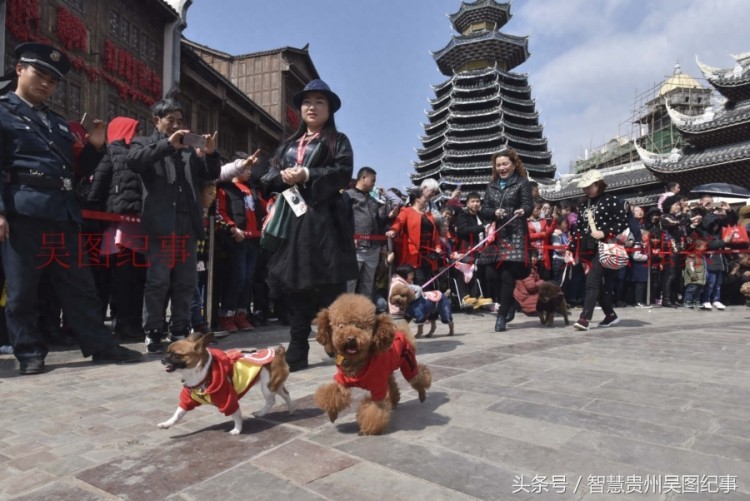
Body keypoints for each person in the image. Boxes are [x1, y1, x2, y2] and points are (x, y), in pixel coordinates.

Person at [0, 43, 142, 374]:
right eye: (41, 74)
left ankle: (100, 344)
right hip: (23, 211)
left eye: (54, 80)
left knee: (80, 286)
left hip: (62, 212)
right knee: (22, 289)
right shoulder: (3, 111)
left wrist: (93, 148)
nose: (47, 84)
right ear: (20, 69)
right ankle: (29, 351)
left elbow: (74, 170)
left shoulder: (57, 123)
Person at [259, 79, 356, 371]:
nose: (312, 107)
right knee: (296, 285)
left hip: (326, 222)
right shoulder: (288, 144)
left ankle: (344, 348)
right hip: (294, 222)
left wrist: (307, 173)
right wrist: (284, 177)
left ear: (329, 109)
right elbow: (268, 178)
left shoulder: (338, 141)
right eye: (307, 102)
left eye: (319, 102)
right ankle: (298, 348)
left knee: (330, 288)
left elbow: (342, 172)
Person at [127, 96, 221, 353]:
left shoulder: (190, 152)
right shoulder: (145, 143)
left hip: (187, 224)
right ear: (156, 121)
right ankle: (153, 330)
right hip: (160, 224)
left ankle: (179, 327)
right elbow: (133, 162)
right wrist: (168, 145)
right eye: (171, 120)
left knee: (186, 280)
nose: (177, 125)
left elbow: (211, 174)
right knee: (158, 280)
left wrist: (211, 154)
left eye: (181, 121)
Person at [87, 117, 146, 341]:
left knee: (137, 278)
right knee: (122, 278)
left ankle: (133, 323)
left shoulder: (141, 153)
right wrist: (97, 217)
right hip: (117, 228)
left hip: (139, 225)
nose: (139, 133)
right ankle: (122, 324)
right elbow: (98, 186)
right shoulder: (112, 152)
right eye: (135, 129)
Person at [477, 147, 533, 332]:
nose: (501, 168)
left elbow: (528, 205)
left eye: (505, 164)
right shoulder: (491, 186)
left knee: (507, 274)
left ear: (513, 164)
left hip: (515, 233)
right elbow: (484, 210)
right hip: (497, 234)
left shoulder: (522, 183)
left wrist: (522, 211)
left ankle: (501, 317)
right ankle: (510, 302)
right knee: (491, 274)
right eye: (498, 165)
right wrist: (494, 212)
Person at [565, 169, 628, 331]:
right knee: (600, 285)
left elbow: (622, 223)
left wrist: (604, 232)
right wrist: (570, 249)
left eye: (589, 186)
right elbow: (577, 229)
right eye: (584, 187)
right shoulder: (584, 203)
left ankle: (584, 319)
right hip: (587, 248)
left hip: (605, 247)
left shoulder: (612, 201)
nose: (585, 189)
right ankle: (610, 315)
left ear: (598, 184)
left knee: (592, 282)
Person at [215, 156, 264, 333]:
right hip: (237, 240)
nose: (249, 170)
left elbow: (263, 209)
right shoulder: (225, 188)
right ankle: (226, 315)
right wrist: (232, 229)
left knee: (249, 279)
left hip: (254, 239)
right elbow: (220, 212)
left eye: (250, 168)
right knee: (238, 277)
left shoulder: (253, 189)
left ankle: (241, 315)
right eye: (245, 167)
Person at [385, 182, 442, 288]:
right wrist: (393, 230)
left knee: (428, 282)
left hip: (429, 255)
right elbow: (399, 222)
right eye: (424, 197)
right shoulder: (406, 211)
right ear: (417, 199)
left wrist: (438, 247)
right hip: (414, 253)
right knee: (419, 282)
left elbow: (435, 234)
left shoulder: (429, 215)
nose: (427, 200)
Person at [344, 166, 389, 300]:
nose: (374, 184)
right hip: (356, 246)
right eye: (372, 180)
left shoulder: (373, 199)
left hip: (373, 247)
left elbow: (378, 221)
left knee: (368, 283)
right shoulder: (348, 195)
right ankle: (345, 314)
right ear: (363, 178)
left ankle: (364, 314)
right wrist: (349, 237)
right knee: (350, 282)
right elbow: (343, 219)